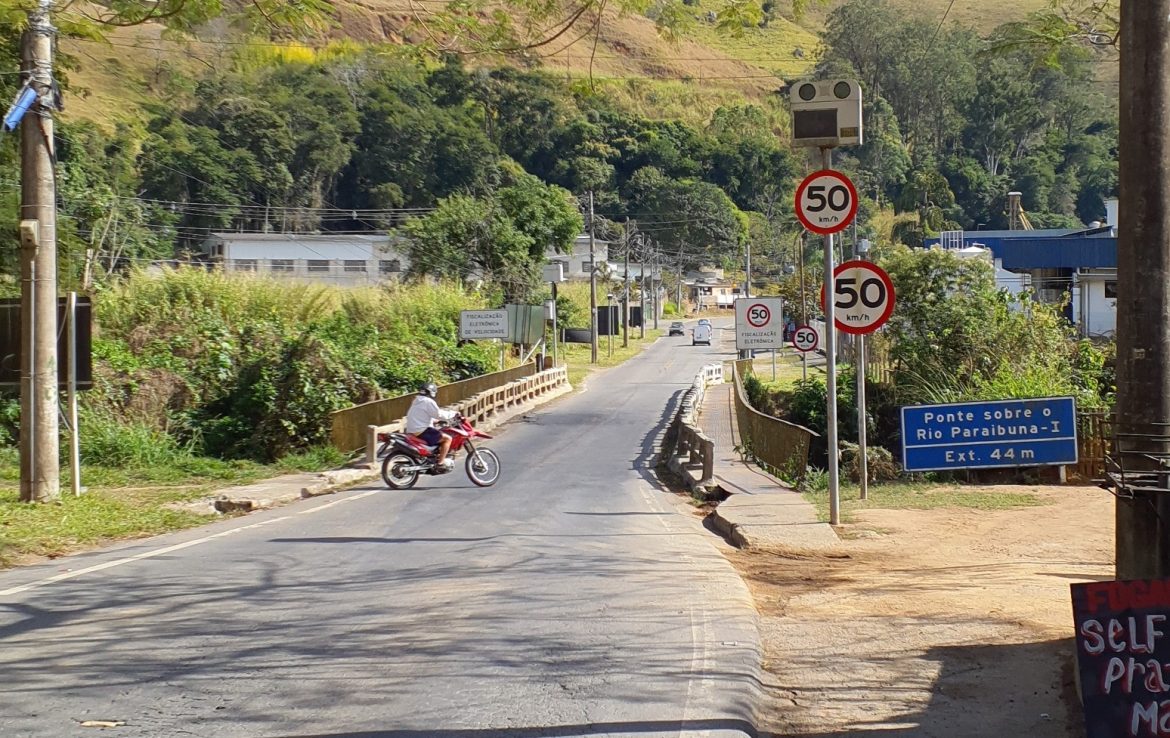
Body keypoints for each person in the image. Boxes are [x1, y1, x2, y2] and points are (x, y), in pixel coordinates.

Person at [405, 382, 456, 472]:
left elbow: (422, 415)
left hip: (412, 430)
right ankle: (440, 463)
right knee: (447, 439)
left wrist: (434, 421)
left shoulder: (416, 400)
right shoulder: (428, 401)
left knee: (438, 435)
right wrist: (452, 414)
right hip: (421, 431)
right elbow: (438, 414)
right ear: (431, 392)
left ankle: (433, 457)